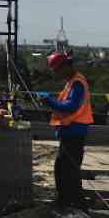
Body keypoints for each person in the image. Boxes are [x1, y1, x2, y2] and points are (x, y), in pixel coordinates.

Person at [42, 51, 93, 208]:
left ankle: (75, 204)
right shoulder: (71, 81)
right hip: (70, 131)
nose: (57, 74)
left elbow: (70, 107)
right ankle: (65, 201)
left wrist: (49, 101)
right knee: (63, 169)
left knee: (68, 171)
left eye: (57, 70)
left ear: (65, 66)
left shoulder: (77, 83)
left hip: (74, 132)